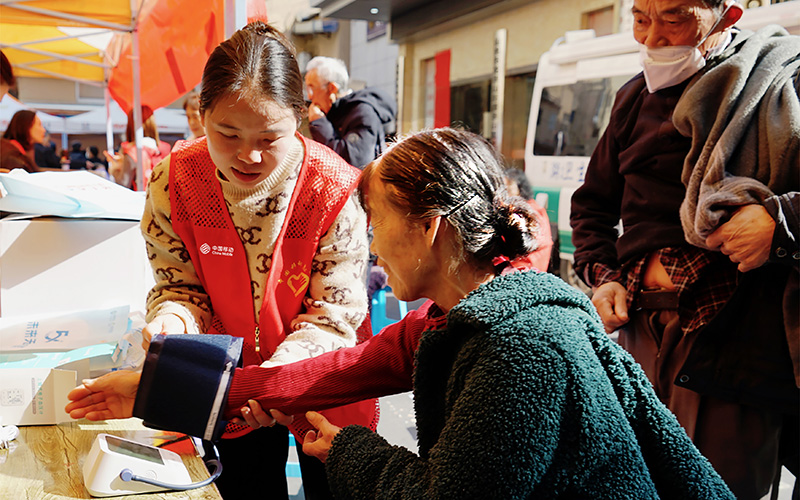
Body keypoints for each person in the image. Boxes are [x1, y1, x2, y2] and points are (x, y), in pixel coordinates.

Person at [67, 128, 736, 500]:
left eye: (377, 220)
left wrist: (351, 450)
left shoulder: (521, 349)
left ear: (430, 227)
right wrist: (156, 388)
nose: (373, 244)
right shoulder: (459, 317)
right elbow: (345, 368)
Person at [109, 21, 374, 500]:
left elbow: (333, 318)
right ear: (201, 112)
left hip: (321, 379)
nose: (247, 155)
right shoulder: (175, 181)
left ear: (300, 116)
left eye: (270, 138)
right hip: (223, 386)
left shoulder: (332, 188)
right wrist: (173, 318)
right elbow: (179, 285)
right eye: (226, 133)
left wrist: (270, 384)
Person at [569, 1, 799, 498]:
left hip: (733, 337)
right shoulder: (633, 99)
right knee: (629, 478)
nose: (653, 39)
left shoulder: (783, 85)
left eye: (674, 18)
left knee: (718, 485)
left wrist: (778, 222)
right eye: (640, 18)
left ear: (727, 15)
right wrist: (603, 274)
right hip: (639, 331)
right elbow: (592, 206)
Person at [304, 56, 396, 169]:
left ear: (332, 88)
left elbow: (351, 162)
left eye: (312, 88)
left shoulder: (362, 112)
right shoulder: (335, 112)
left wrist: (319, 124)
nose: (309, 96)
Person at [105, 105, 171, 190]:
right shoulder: (165, 148)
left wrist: (114, 170)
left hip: (141, 199)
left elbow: (124, 183)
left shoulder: (132, 150)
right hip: (160, 198)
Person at [503, 167, 555, 273]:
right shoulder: (532, 207)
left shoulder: (529, 211)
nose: (506, 192)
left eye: (509, 187)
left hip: (526, 266)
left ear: (520, 188)